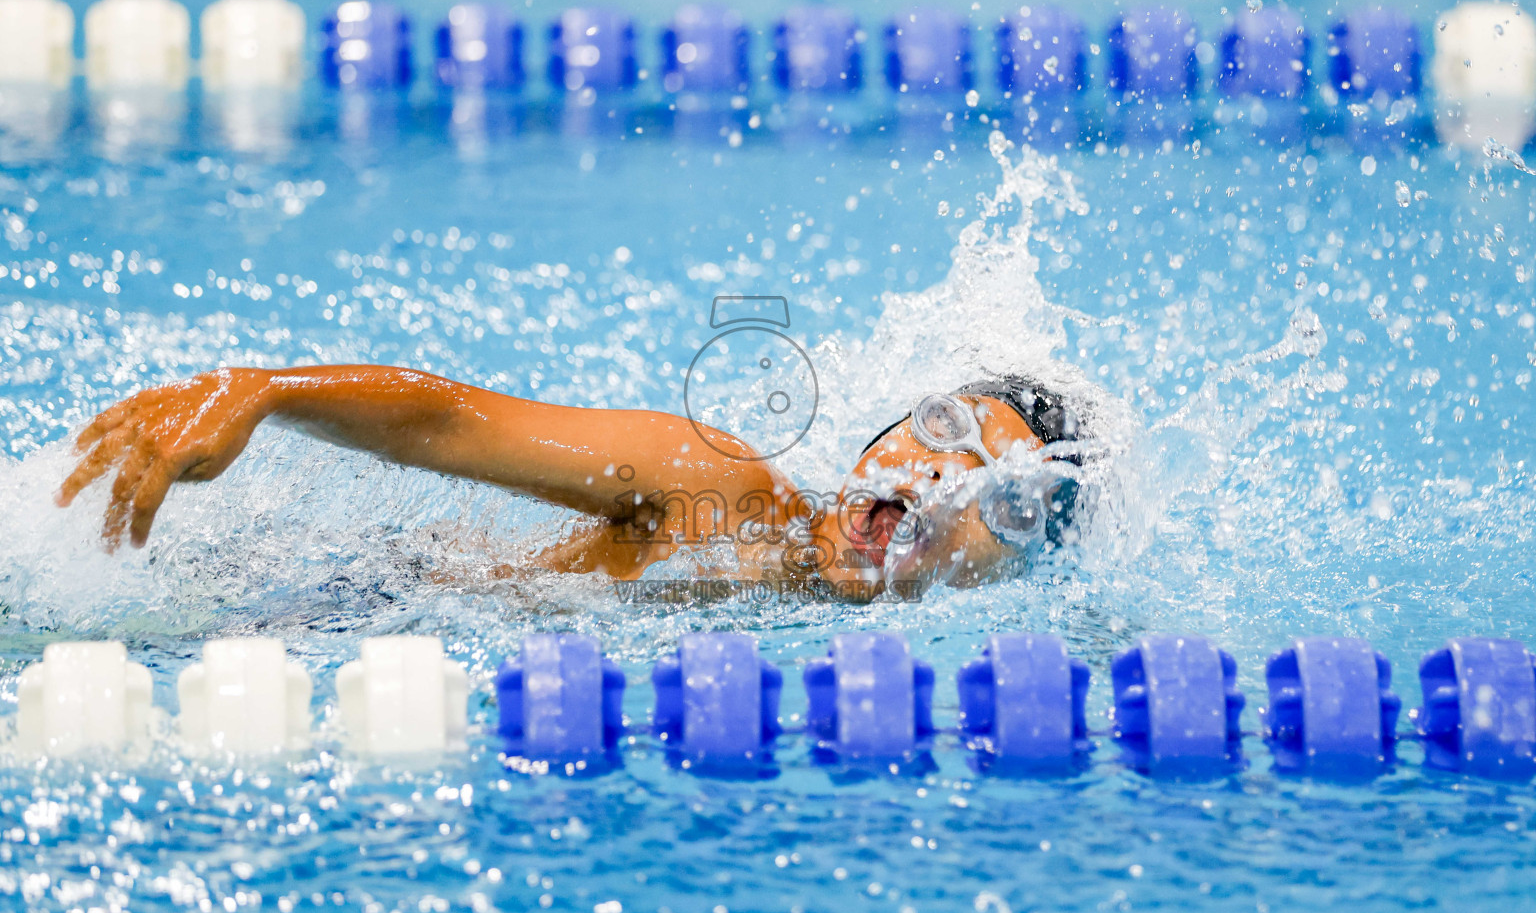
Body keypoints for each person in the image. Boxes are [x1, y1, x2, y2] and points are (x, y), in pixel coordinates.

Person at [54, 364, 1084, 602]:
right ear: (870, 450)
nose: (943, 477)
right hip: (314, 613)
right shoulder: (721, 489)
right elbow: (454, 422)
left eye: (1003, 495)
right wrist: (263, 392)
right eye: (940, 434)